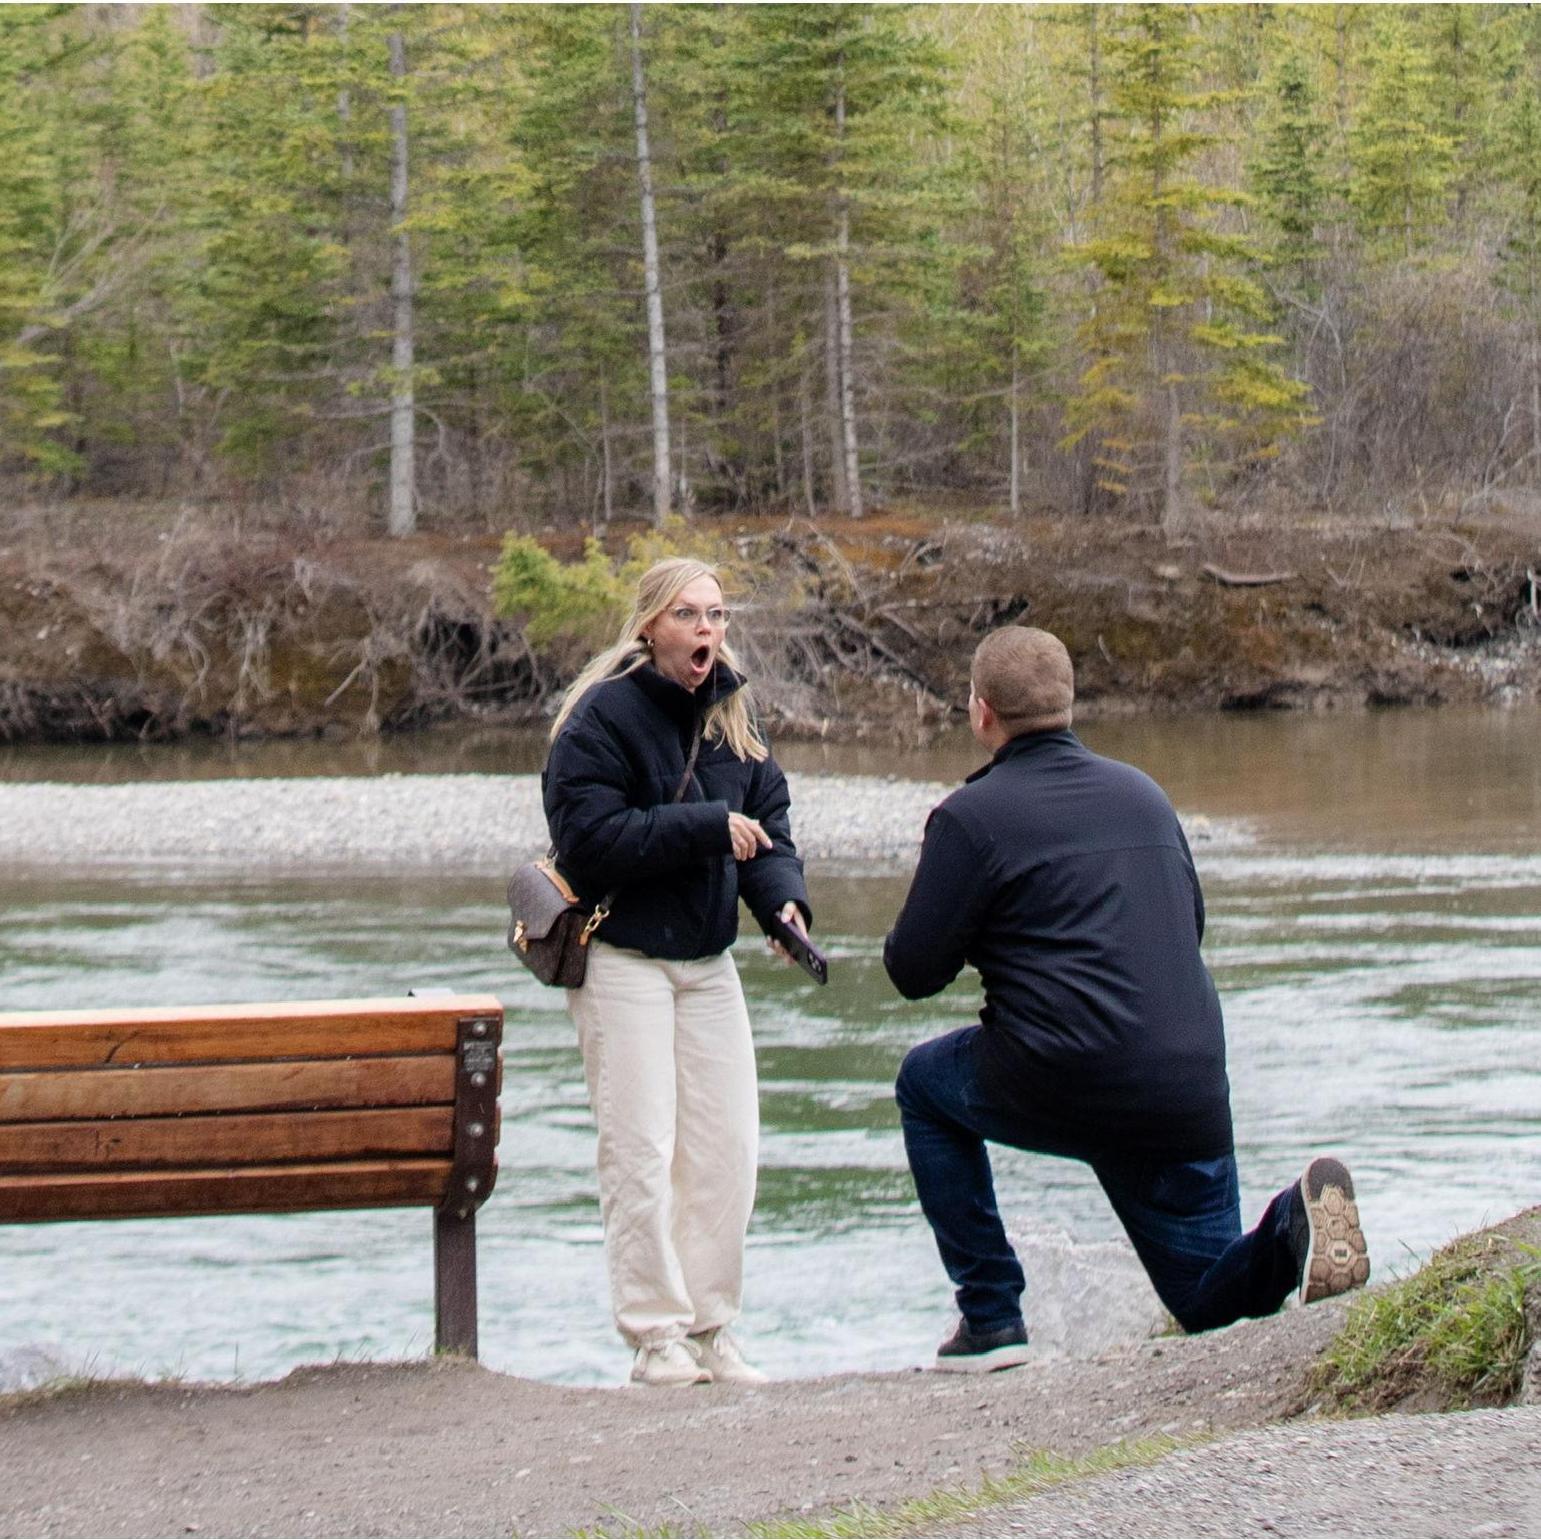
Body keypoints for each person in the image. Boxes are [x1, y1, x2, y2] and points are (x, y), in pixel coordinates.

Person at [884, 626, 1370, 1373]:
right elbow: (1189, 924)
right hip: (1184, 1081)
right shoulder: (1144, 796)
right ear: (1068, 702)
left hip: (1059, 1073)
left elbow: (913, 971)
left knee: (924, 1085)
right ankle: (1290, 1223)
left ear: (981, 712)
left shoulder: (969, 818)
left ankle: (990, 1317)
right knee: (1206, 1300)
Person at [543, 557, 811, 1387]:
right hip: (622, 958)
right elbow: (588, 842)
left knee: (727, 1151)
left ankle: (710, 1327)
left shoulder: (731, 713)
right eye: (689, 614)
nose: (707, 630)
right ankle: (654, 1336)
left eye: (717, 615)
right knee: (640, 1150)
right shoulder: (599, 717)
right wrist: (704, 827)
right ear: (650, 625)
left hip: (707, 961)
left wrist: (783, 906)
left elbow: (768, 827)